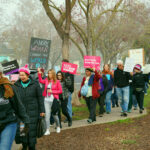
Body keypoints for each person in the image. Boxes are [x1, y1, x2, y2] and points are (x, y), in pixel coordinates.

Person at [15, 65, 45, 150]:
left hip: (33, 113)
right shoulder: (16, 85)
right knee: (23, 134)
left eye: (23, 75)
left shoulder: (35, 84)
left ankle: (32, 147)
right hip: (22, 115)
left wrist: (42, 110)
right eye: (20, 75)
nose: (21, 77)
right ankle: (24, 146)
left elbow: (40, 98)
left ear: (28, 75)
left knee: (31, 134)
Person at [0, 65, 30, 150]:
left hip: (8, 122)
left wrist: (25, 121)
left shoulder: (9, 87)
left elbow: (18, 105)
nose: (21, 76)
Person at [38, 68, 62, 135]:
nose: (48, 74)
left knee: (54, 115)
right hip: (46, 100)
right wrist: (39, 73)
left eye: (50, 73)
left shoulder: (57, 81)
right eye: (48, 73)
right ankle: (47, 130)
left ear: (53, 74)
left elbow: (60, 91)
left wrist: (52, 91)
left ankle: (58, 126)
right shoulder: (46, 80)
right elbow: (40, 80)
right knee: (47, 115)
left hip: (54, 100)